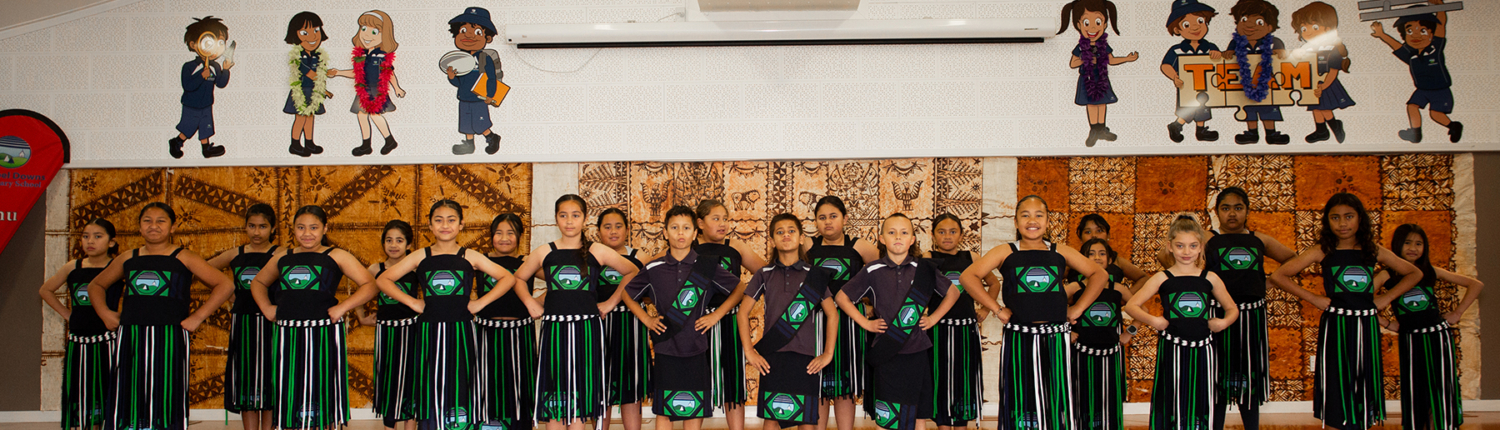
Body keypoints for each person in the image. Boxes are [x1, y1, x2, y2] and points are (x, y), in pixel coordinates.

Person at [1270, 193, 1424, 430]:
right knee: (1336, 380)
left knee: (1364, 379)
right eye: (1335, 218)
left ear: (1360, 218)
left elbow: (1415, 273)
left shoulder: (1372, 250)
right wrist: (1313, 298)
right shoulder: (1322, 250)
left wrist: (1385, 298)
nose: (1342, 223)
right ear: (1327, 221)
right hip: (1336, 325)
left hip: (1366, 326)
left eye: (1349, 216)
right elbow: (1279, 275)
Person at [961, 195, 1108, 430]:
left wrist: (1078, 309)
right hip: (1020, 336)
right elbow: (968, 277)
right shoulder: (1005, 251)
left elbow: (1099, 274)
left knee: (1056, 395)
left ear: (1048, 221)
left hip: (1056, 337)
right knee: (1021, 393)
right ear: (1016, 222)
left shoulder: (1060, 251)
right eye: (1025, 215)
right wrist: (996, 309)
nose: (1032, 220)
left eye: (1039, 215)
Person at [374, 200, 524, 430]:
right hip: (429, 331)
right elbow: (383, 279)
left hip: (461, 330)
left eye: (451, 220)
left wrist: (480, 303)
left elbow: (508, 278)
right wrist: (413, 302)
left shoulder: (469, 256)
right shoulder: (420, 256)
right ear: (430, 225)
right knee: (429, 383)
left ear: (461, 225)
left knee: (462, 382)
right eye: (439, 220)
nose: (445, 225)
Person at [85, 202, 236, 430]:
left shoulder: (184, 257)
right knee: (129, 386)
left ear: (172, 227)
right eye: (147, 221)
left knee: (167, 388)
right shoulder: (128, 257)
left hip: (169, 336)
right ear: (139, 227)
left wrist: (197, 317)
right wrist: (105, 313)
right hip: (131, 336)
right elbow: (96, 285)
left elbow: (225, 284)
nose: (153, 226)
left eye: (160, 221)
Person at [503, 195, 643, 430]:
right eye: (563, 215)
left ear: (584, 219)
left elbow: (632, 272)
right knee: (555, 389)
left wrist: (610, 303)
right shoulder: (545, 251)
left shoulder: (597, 250)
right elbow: (517, 278)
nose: (569, 221)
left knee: (580, 388)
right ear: (556, 219)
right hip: (554, 330)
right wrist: (529, 302)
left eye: (575, 215)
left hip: (586, 330)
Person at [246, 205, 379, 430]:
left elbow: (370, 285)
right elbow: (258, 282)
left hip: (322, 334)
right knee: (290, 388)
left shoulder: (336, 255)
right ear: (293, 229)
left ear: (325, 228)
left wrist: (343, 307)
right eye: (301, 227)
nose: (307, 233)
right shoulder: (283, 257)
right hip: (288, 335)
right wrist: (267, 307)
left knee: (322, 388)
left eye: (314, 227)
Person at [621, 205, 743, 430]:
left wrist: (716, 315)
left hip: (696, 347)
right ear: (665, 232)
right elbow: (627, 294)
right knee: (665, 410)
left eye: (686, 228)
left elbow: (739, 288)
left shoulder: (707, 266)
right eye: (674, 227)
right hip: (666, 347)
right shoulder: (653, 268)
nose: (680, 233)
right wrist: (647, 320)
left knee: (693, 407)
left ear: (695, 233)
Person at [837, 213, 959, 430]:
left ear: (912, 239)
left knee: (918, 415)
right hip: (887, 352)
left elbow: (953, 292)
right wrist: (865, 323)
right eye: (891, 232)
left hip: (917, 350)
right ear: (882, 238)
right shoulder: (872, 270)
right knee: (887, 417)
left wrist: (933, 318)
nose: (898, 237)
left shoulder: (924, 269)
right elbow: (841, 297)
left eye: (904, 233)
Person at [1124, 215, 1237, 430]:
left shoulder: (1210, 278)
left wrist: (1223, 322)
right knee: (1172, 397)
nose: (1186, 251)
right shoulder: (1162, 277)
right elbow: (1131, 306)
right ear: (1170, 246)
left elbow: (1232, 309)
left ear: (1201, 247)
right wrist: (1154, 320)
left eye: (1193, 246)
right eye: (1180, 246)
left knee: (1201, 396)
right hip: (1173, 348)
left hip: (1203, 350)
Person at [1204, 187, 1296, 430]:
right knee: (1218, 374)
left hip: (1251, 315)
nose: (1232, 213)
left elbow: (1293, 259)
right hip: (1218, 314)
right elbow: (1170, 256)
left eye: (1238, 208)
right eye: (1225, 208)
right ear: (1217, 212)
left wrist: (1271, 280)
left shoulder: (1259, 239)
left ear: (1247, 210)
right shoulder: (1207, 237)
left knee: (1249, 373)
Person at [1376, 224, 1482, 430]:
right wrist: (1386, 323)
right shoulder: (1387, 275)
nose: (1413, 248)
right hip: (1410, 339)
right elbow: (1362, 300)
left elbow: (1476, 285)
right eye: (1407, 243)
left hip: (1438, 336)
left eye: (1419, 244)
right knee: (1416, 387)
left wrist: (1457, 313)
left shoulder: (1430, 271)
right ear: (1397, 245)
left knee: (1440, 385)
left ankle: (1441, 425)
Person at [741, 214, 839, 430]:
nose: (786, 235)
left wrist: (828, 353)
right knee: (772, 417)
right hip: (772, 357)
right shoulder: (764, 274)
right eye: (780, 232)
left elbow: (833, 314)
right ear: (772, 240)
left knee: (806, 419)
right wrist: (749, 351)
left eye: (791, 231)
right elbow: (742, 313)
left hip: (806, 358)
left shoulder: (814, 275)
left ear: (801, 238)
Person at [799, 196, 879, 430]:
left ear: (844, 218)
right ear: (815, 221)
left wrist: (869, 303)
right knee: (819, 382)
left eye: (833, 216)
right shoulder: (807, 245)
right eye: (822, 217)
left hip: (849, 323)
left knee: (845, 384)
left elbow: (881, 277)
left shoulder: (859, 246)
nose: (828, 222)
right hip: (815, 322)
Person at [37, 219, 121, 430]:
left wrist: (122, 316)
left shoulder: (117, 267)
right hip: (79, 340)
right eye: (85, 236)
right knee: (80, 388)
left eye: (97, 236)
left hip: (108, 340)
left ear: (111, 242)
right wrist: (68, 315)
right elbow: (45, 290)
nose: (90, 241)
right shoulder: (73, 267)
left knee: (108, 386)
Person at [205, 203, 282, 430]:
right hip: (243, 324)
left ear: (273, 228)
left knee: (270, 378)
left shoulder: (280, 254)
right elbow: (205, 270)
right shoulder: (235, 254)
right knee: (247, 379)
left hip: (271, 323)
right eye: (252, 226)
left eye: (262, 226)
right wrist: (228, 295)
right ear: (245, 227)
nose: (256, 232)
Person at [692, 199, 764, 430]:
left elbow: (766, 274)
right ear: (700, 223)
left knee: (733, 381)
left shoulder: (736, 246)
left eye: (725, 219)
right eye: (716, 219)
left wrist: (747, 298)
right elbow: (656, 273)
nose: (723, 224)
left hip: (730, 321)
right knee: (696, 381)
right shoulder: (687, 246)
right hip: (696, 324)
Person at [924, 214, 997, 430]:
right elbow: (918, 289)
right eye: (941, 232)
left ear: (961, 235)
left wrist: (986, 308)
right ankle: (943, 424)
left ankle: (961, 424)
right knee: (940, 378)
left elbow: (994, 284)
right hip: (938, 329)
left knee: (964, 378)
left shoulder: (970, 257)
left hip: (966, 330)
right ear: (933, 235)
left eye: (953, 231)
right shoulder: (928, 257)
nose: (947, 236)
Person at [476, 214, 540, 430]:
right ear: (491, 236)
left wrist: (536, 302)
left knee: (521, 382)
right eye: (499, 233)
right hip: (487, 331)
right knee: (487, 381)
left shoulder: (526, 262)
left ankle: (521, 425)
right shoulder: (480, 261)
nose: (504, 238)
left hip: (520, 332)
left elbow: (558, 282)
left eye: (510, 233)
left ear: (520, 236)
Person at [1067, 238, 1136, 430]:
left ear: (1110, 260)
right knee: (1082, 396)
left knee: (1109, 397)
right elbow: (1051, 308)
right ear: (1081, 260)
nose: (1097, 257)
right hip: (1081, 353)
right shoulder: (1074, 287)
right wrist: (1067, 331)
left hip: (1111, 354)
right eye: (1090, 254)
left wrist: (1129, 332)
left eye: (1102, 253)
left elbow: (1141, 310)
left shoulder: (1118, 289)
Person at [1370, 0, 1461, 143]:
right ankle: (1415, 133)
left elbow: (1440, 25)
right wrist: (1382, 35)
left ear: (1431, 34)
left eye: (1423, 31)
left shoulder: (1435, 48)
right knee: (1412, 106)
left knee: (1435, 114)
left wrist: (1440, 7)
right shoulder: (1411, 55)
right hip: (1422, 89)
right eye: (1410, 31)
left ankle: (1453, 126)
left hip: (1440, 89)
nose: (1416, 35)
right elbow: (1396, 46)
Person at [361, 220, 420, 430]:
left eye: (399, 240)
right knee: (388, 379)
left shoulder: (416, 268)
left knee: (411, 380)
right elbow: (361, 291)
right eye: (389, 240)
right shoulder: (376, 269)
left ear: (409, 244)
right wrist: (362, 317)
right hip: (385, 332)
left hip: (412, 331)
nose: (393, 245)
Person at [595, 209, 649, 430]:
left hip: (631, 323)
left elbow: (651, 289)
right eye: (607, 227)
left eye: (618, 226)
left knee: (631, 384)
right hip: (598, 323)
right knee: (600, 384)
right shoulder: (591, 255)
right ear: (598, 231)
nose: (613, 231)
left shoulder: (640, 256)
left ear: (627, 230)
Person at [1059, 0, 1138, 147]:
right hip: (1087, 79)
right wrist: (1086, 59)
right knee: (1091, 103)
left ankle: (1102, 129)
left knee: (1102, 103)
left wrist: (1127, 59)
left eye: (1098, 22)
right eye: (1086, 23)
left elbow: (1111, 60)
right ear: (1079, 25)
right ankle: (1094, 130)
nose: (1093, 27)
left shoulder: (1104, 45)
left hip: (1101, 78)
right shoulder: (1080, 47)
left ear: (1105, 24)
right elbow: (1073, 63)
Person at [329, 10, 404, 156]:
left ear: (384, 35)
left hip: (377, 90)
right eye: (363, 29)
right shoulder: (362, 55)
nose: (367, 35)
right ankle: (366, 145)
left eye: (374, 31)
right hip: (364, 89)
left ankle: (389, 140)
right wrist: (338, 72)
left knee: (375, 115)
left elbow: (389, 73)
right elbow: (356, 73)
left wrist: (397, 88)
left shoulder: (381, 55)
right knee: (361, 115)